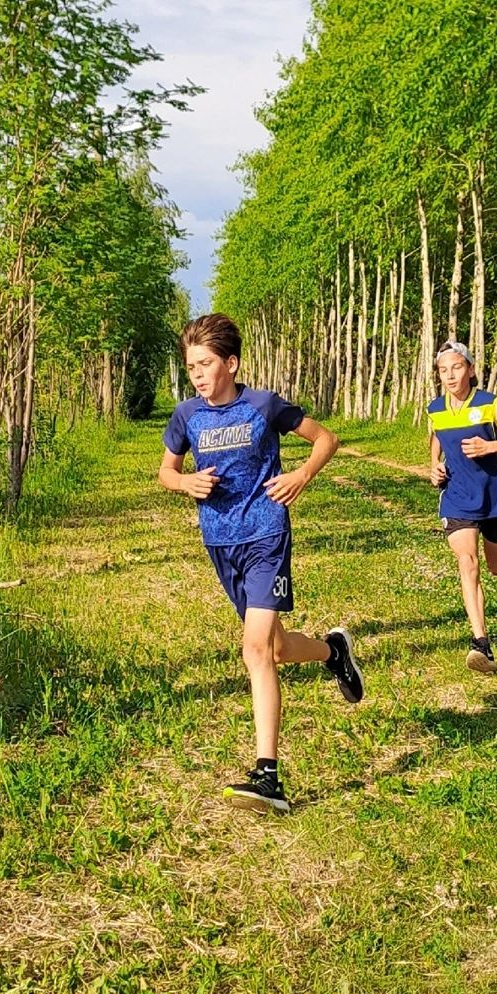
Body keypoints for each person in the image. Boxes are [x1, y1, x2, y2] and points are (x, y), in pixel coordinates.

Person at [159, 312, 364, 813]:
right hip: (220, 543)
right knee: (272, 650)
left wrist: (300, 476)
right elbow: (167, 471)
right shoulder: (187, 416)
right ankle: (333, 651)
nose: (198, 375)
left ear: (231, 363)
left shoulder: (264, 406)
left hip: (266, 535)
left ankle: (268, 775)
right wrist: (186, 483)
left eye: (205, 364)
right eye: (191, 367)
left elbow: (325, 439)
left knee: (253, 651)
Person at [428, 339, 497, 673]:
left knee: (495, 564)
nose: (450, 375)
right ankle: (481, 644)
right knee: (468, 562)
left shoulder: (490, 405)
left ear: (471, 370)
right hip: (457, 499)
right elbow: (436, 436)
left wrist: (491, 446)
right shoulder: (435, 409)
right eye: (443, 370)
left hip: (492, 498)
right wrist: (433, 464)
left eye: (457, 367)